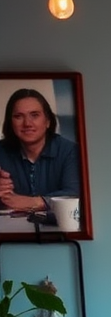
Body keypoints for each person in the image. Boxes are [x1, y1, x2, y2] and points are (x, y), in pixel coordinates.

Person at [0, 88, 81, 220]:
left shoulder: (70, 151)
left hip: (58, 232)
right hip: (10, 234)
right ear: (10, 123)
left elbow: (74, 193)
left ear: (48, 121)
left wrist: (33, 202)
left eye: (35, 115)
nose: (27, 123)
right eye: (18, 116)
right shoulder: (1, 152)